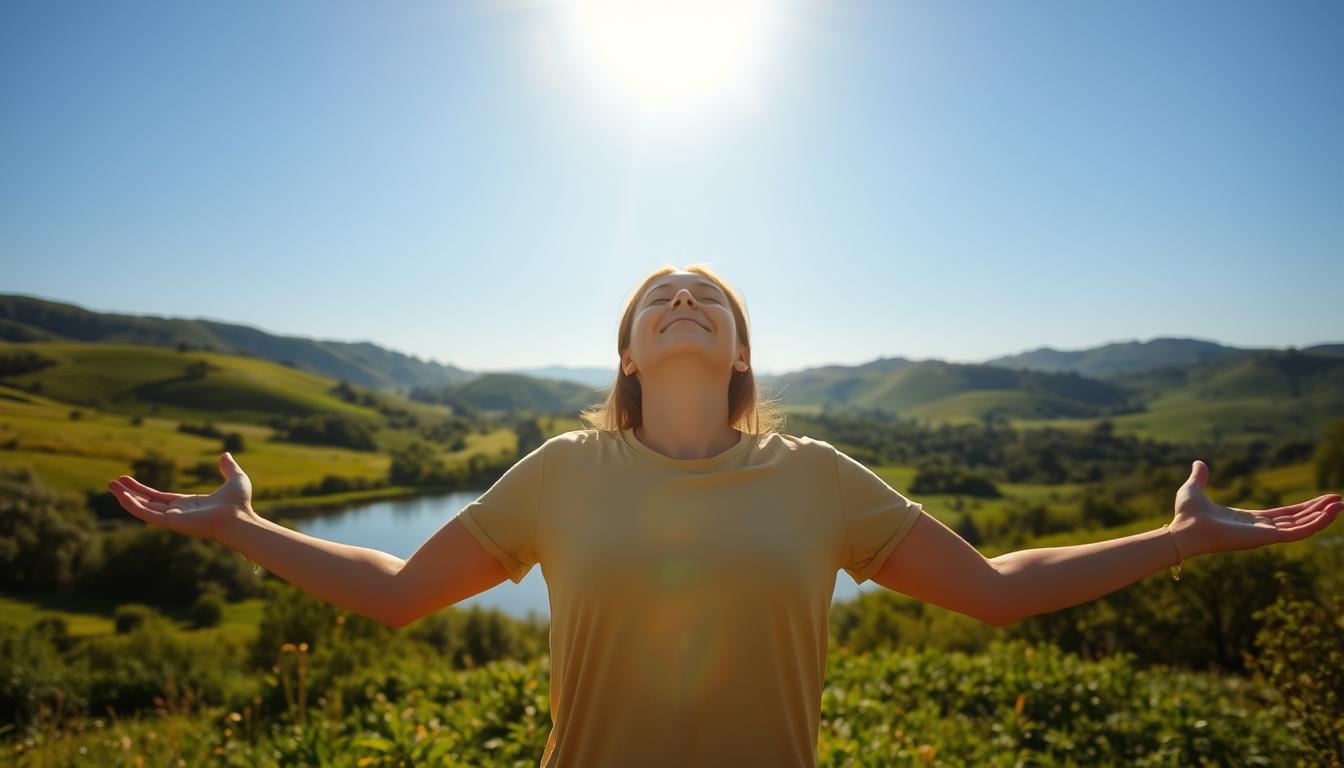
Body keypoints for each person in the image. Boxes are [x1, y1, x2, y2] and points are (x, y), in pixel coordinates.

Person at [107, 264, 1342, 768]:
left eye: (709, 296)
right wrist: (236, 526)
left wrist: (1180, 538)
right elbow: (391, 594)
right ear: (630, 357)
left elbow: (1002, 585)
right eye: (660, 296)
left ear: (739, 348)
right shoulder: (560, 470)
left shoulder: (815, 473)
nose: (685, 297)